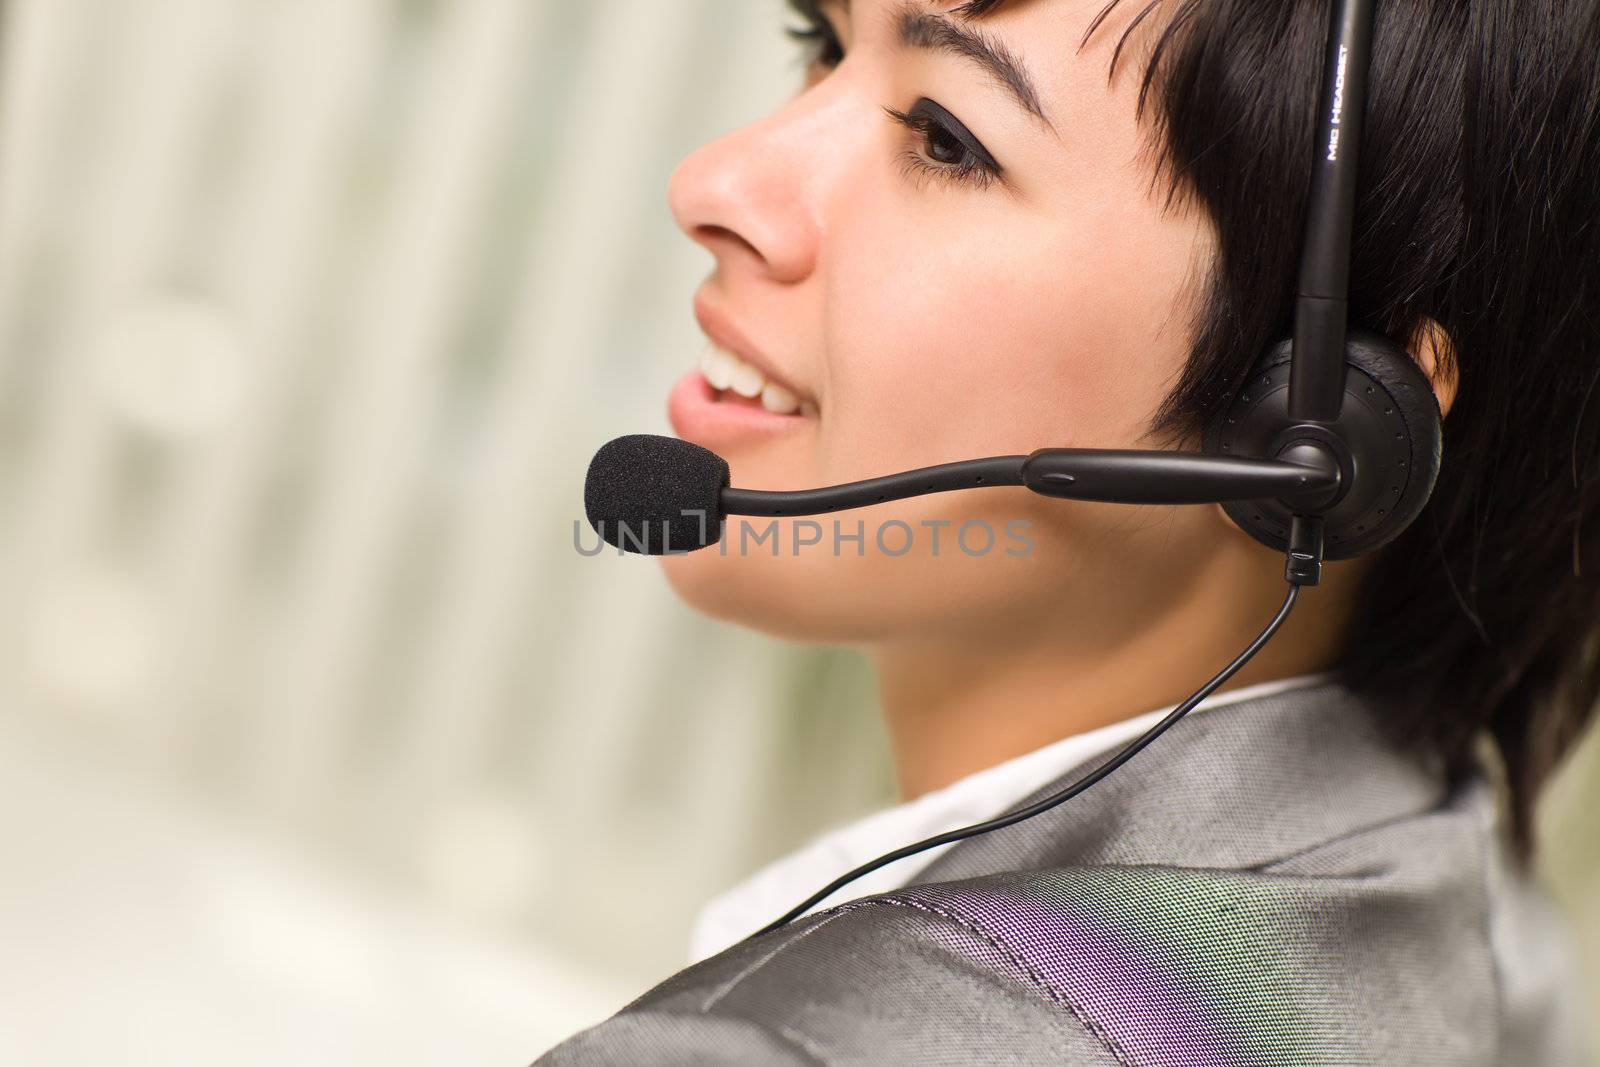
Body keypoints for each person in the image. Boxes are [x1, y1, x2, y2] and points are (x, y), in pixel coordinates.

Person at [540, 0, 1598, 1062]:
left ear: (1321, 428)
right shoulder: (1484, 946)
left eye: (946, 139)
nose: (715, 184)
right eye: (818, 42)